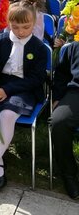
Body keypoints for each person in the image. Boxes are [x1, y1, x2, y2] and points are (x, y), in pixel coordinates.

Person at [0, 0, 47, 193]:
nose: (21, 31)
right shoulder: (1, 40)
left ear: (34, 24)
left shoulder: (39, 48)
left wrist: (8, 90)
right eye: (15, 27)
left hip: (24, 89)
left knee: (7, 116)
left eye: (26, 27)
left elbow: (37, 78)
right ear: (8, 23)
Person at [51, 41, 79, 200]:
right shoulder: (74, 46)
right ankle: (69, 174)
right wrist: (58, 97)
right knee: (59, 122)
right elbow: (61, 73)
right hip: (76, 93)